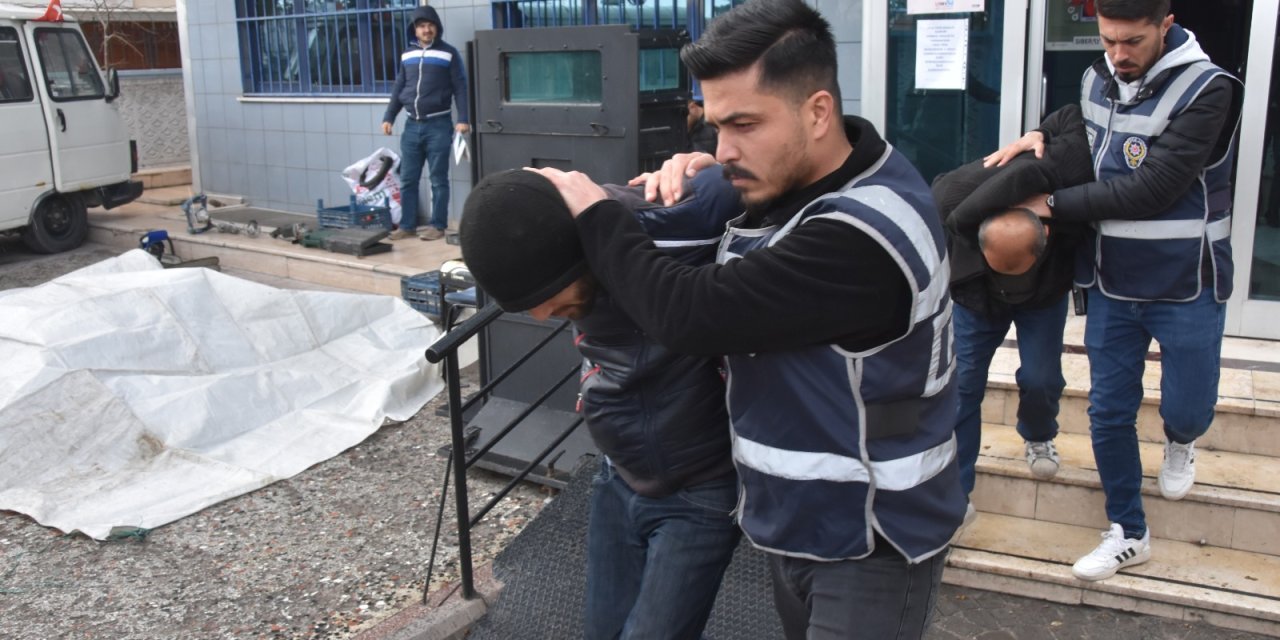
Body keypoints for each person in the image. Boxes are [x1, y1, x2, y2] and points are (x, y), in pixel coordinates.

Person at [528, 1, 966, 637]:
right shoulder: (807, 183)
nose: (722, 148)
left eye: (743, 125)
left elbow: (691, 313)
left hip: (874, 543)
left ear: (818, 112)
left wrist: (600, 217)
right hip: (799, 527)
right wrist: (713, 179)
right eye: (712, 126)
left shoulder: (864, 234)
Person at [985, 0, 1242, 582]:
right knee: (1107, 410)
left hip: (1187, 281)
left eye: (1132, 42)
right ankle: (1128, 530)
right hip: (1111, 282)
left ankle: (1181, 439)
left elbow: (1153, 188)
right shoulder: (1099, 74)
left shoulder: (1210, 88)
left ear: (1165, 27)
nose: (1118, 55)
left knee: (1187, 406)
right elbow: (1083, 124)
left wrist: (1048, 206)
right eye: (1107, 41)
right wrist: (1040, 132)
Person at [459, 168, 744, 640]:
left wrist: (706, 163)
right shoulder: (555, 250)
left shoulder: (676, 219)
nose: (541, 315)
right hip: (616, 474)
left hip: (700, 486)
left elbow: (769, 181)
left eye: (546, 298)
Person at [932, 104, 1094, 515]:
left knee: (1042, 378)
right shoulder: (952, 201)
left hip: (1045, 293)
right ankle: (957, 491)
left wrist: (1037, 132)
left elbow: (1070, 116)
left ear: (1047, 232)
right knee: (963, 385)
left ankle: (1038, 433)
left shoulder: (1069, 195)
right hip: (976, 294)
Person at [380, 5, 469, 241]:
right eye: (421, 26)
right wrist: (389, 116)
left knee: (438, 179)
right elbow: (400, 87)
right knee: (408, 178)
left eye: (430, 25)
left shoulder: (448, 53)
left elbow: (460, 87)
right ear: (415, 30)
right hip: (411, 126)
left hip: (438, 125)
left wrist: (463, 119)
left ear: (436, 28)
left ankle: (437, 225)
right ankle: (407, 226)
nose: (426, 29)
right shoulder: (407, 55)